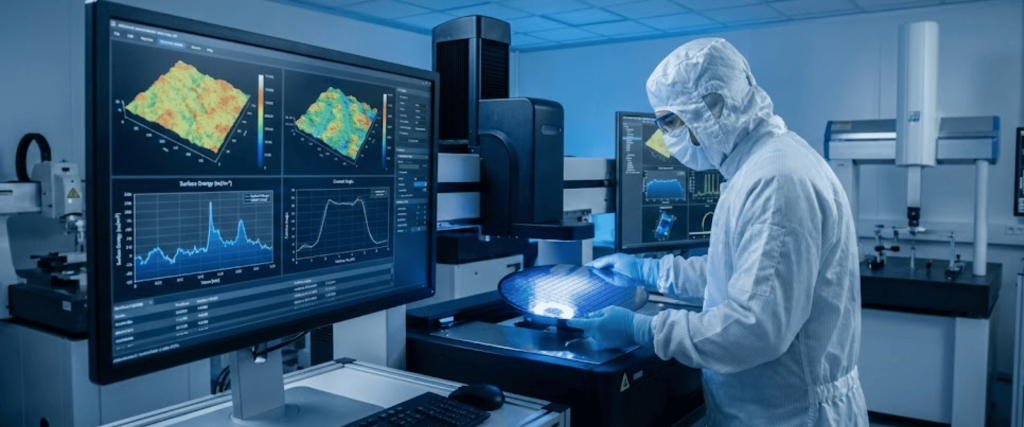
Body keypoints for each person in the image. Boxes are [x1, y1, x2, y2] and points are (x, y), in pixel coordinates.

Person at [567, 38, 869, 426]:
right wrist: (648, 271)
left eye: (670, 123)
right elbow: (734, 272)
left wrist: (642, 329)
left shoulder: (776, 179)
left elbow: (755, 327)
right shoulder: (759, 166)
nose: (667, 139)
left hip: (791, 415)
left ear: (711, 110)